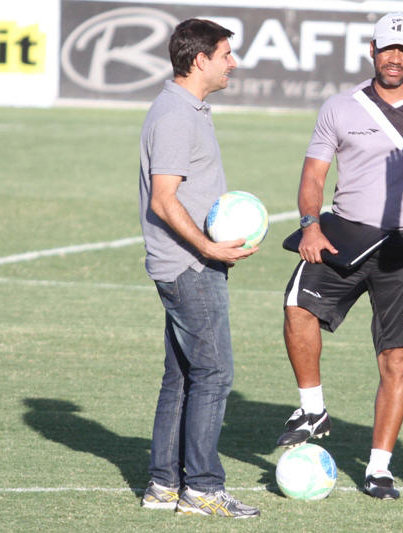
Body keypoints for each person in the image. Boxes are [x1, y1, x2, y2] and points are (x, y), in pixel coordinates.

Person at [278, 12, 403, 499]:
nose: (395, 59)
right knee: (297, 307)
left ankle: (378, 468)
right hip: (346, 234)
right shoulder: (340, 107)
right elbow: (314, 176)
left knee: (397, 359)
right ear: (372, 50)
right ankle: (312, 406)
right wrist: (310, 225)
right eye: (387, 49)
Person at [137, 18, 260, 519]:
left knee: (183, 376)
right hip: (189, 266)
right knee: (214, 373)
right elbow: (165, 200)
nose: (234, 62)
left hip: (186, 262)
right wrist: (209, 249)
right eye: (227, 54)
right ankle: (203, 488)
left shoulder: (189, 108)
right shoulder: (175, 115)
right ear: (199, 59)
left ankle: (164, 484)